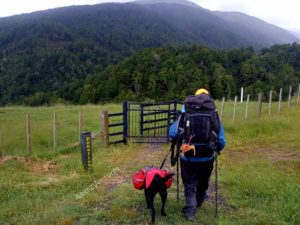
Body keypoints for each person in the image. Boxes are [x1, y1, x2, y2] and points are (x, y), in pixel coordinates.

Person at [169, 88, 226, 221]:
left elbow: (173, 133)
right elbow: (221, 139)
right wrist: (217, 148)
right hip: (207, 156)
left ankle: (190, 211)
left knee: (189, 183)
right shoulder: (213, 111)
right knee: (203, 182)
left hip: (187, 157)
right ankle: (199, 201)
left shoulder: (186, 111)